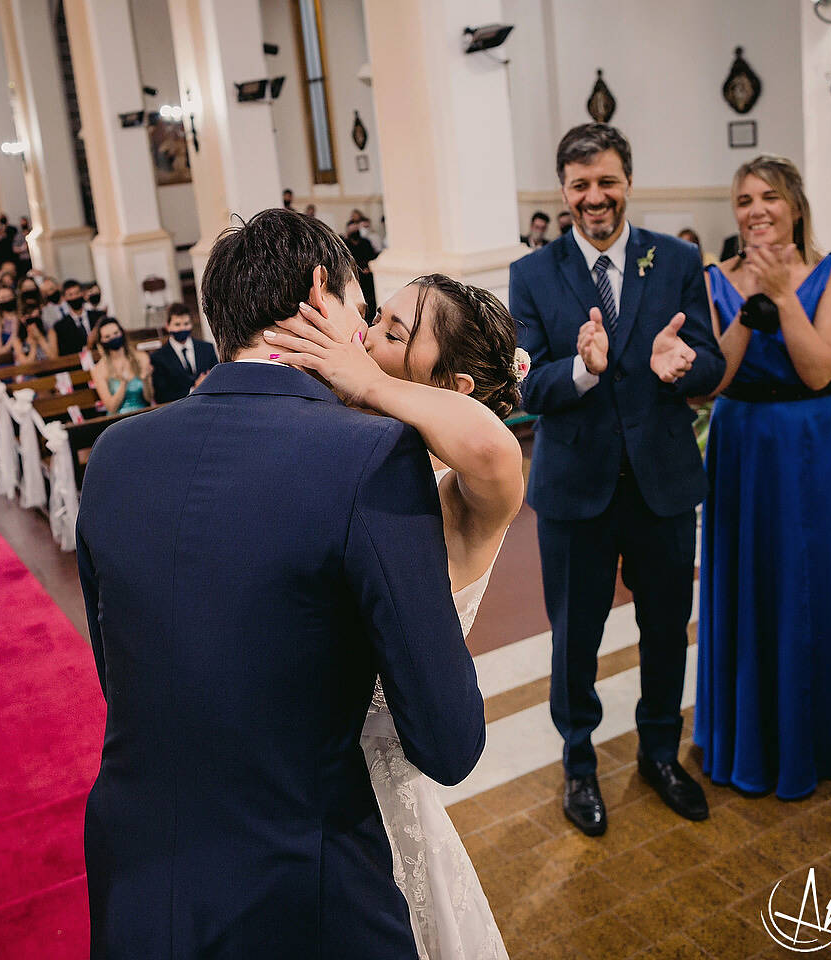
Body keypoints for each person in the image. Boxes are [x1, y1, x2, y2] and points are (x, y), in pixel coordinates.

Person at [76, 208, 484, 958]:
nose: (362, 342)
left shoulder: (115, 455)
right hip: (301, 900)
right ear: (321, 294)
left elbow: (123, 676)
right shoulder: (370, 457)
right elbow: (449, 742)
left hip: (138, 886)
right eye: (361, 315)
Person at [267, 273, 526, 960]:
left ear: (456, 387)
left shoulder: (465, 505)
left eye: (392, 334)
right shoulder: (348, 454)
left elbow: (497, 450)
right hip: (292, 785)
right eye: (372, 320)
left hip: (383, 798)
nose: (363, 341)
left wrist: (366, 378)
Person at [510, 122, 725, 837]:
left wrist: (685, 365)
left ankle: (660, 753)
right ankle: (579, 765)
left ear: (627, 180)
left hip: (662, 483)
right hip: (576, 490)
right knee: (577, 637)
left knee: (667, 629)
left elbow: (713, 360)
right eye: (580, 185)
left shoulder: (677, 259)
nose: (594, 197)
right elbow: (524, 386)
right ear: (563, 191)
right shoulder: (533, 274)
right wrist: (581, 369)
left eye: (606, 181)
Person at [695, 155, 831, 800]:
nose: (756, 210)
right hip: (742, 445)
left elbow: (817, 368)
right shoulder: (712, 279)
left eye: (769, 197)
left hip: (812, 445)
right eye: (744, 200)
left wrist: (782, 297)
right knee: (750, 587)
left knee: (816, 586)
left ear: (796, 206)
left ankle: (828, 742)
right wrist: (751, 310)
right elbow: (715, 380)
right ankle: (749, 742)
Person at [149, 302, 217, 403]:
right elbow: (161, 396)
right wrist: (194, 389)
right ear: (167, 326)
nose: (182, 328)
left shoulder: (207, 348)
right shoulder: (158, 357)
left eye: (186, 324)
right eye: (177, 324)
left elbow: (217, 379)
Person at [90, 318, 153, 415]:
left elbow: (149, 398)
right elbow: (111, 407)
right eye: (107, 337)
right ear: (101, 341)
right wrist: (123, 383)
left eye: (116, 333)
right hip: (118, 419)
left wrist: (145, 380)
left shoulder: (141, 357)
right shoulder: (99, 369)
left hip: (143, 414)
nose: (113, 338)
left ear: (122, 333)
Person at [345, 217, 379, 319]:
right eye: (352, 230)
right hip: (355, 278)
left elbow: (372, 257)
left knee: (371, 302)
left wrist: (368, 267)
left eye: (356, 230)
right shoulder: (345, 244)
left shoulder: (366, 242)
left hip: (368, 277)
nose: (355, 232)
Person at [53, 280, 96, 355]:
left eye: (77, 293)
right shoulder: (60, 327)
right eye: (70, 295)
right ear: (64, 298)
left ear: (82, 293)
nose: (75, 297)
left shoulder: (98, 316)